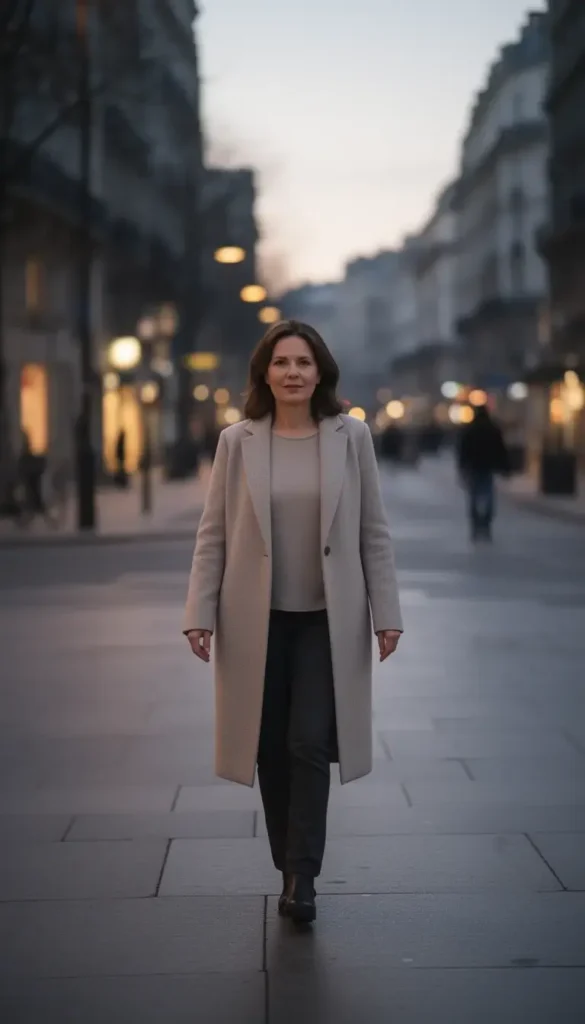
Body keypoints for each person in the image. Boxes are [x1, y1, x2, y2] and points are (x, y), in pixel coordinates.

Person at [183, 319, 403, 924]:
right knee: (270, 749)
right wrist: (198, 612)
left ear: (321, 371)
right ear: (265, 373)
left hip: (326, 621)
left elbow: (373, 533)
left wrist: (387, 613)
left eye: (303, 362)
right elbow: (213, 536)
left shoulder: (350, 437)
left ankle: (301, 877)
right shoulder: (238, 441)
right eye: (282, 363)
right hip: (256, 618)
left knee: (308, 741)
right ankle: (288, 864)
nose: (293, 373)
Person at [457, 404, 510, 542]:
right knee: (488, 495)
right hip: (487, 467)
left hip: (474, 467)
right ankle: (486, 523)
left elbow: (463, 450)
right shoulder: (493, 429)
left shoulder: (469, 429)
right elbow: (501, 449)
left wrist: (462, 468)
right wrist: (504, 468)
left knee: (474, 496)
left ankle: (476, 524)